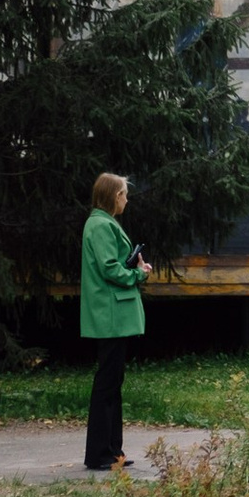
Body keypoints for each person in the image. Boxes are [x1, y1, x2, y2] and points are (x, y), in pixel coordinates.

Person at [80, 173, 151, 471]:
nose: (126, 199)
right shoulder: (101, 225)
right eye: (123, 194)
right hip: (110, 314)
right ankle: (100, 454)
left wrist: (133, 267)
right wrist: (138, 274)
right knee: (107, 384)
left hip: (112, 313)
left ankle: (112, 452)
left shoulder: (102, 223)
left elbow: (111, 264)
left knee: (111, 383)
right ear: (113, 196)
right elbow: (110, 268)